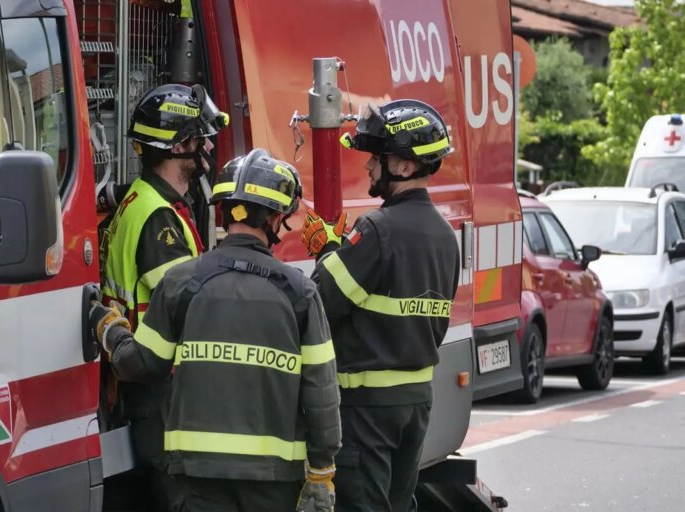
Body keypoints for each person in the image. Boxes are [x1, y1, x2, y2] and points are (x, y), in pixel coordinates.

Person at [90, 148, 342, 512]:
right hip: (273, 481)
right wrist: (321, 471)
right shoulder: (300, 294)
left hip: (196, 476)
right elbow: (321, 392)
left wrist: (109, 327)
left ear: (222, 210)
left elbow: (140, 364)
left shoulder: (180, 283)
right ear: (276, 218)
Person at [301, 99, 461, 512]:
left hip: (368, 408)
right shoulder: (446, 236)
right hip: (416, 403)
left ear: (405, 166)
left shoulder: (377, 229)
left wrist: (327, 253)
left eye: (378, 157)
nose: (370, 165)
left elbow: (321, 299)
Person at [98, 82, 228, 511]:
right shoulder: (158, 217)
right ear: (178, 146)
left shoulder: (144, 199)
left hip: (145, 381)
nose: (208, 147)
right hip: (160, 388)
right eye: (200, 138)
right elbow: (192, 305)